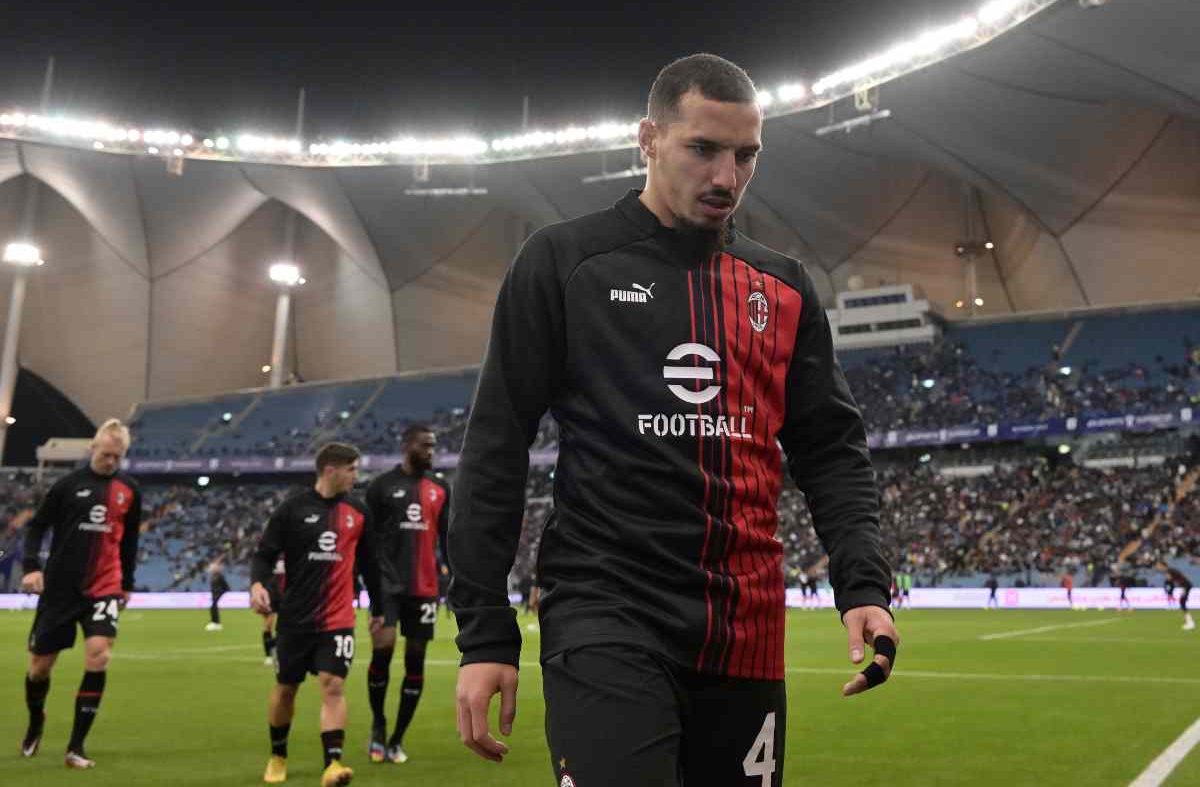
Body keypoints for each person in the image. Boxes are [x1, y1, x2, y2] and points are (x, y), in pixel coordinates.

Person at [449, 53, 898, 786]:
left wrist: (863, 586)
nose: (727, 177)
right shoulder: (564, 264)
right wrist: (484, 634)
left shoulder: (782, 288)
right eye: (703, 149)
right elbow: (496, 447)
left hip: (744, 625)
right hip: (606, 611)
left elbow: (832, 450)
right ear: (648, 139)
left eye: (745, 155)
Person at [249, 442, 382, 786]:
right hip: (295, 618)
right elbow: (264, 555)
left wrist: (379, 607)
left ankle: (333, 764)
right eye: (351, 469)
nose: (356, 475)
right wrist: (257, 585)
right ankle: (278, 755)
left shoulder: (359, 512)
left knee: (333, 685)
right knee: (285, 689)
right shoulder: (293, 509)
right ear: (330, 470)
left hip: (338, 620)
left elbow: (370, 565)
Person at [19, 419, 142, 769]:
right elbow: (37, 527)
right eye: (106, 455)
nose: (111, 462)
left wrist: (127, 583)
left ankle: (76, 747)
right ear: (93, 448)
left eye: (118, 457)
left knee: (99, 655)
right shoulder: (66, 486)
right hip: (60, 588)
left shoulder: (130, 490)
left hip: (105, 586)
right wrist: (31, 566)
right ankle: (35, 720)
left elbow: (130, 540)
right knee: (40, 667)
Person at [362, 424, 450, 765]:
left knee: (415, 661)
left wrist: (453, 581)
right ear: (407, 446)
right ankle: (379, 726)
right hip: (386, 586)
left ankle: (398, 738)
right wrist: (366, 585)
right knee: (381, 654)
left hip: (424, 590)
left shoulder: (441, 489)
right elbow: (366, 542)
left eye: (434, 445)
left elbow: (446, 540)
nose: (431, 451)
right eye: (425, 445)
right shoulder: (381, 487)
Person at [262, 556, 285, 666]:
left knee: (285, 626)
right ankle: (268, 655)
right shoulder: (268, 558)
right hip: (270, 596)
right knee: (268, 625)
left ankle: (277, 650)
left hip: (284, 596)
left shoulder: (290, 555)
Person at [1157, 564, 1193, 630]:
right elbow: (1175, 579)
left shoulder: (1169, 571)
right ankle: (1189, 621)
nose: (1158, 568)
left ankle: (1190, 623)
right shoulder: (1171, 570)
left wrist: (1183, 588)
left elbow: (1170, 580)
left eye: (1159, 566)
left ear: (1163, 565)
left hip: (1186, 585)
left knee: (1182, 603)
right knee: (1182, 602)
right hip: (1186, 585)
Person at [207, 560, 230, 631]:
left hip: (217, 595)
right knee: (212, 608)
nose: (211, 569)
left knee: (213, 608)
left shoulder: (220, 577)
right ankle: (215, 623)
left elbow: (226, 587)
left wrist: (220, 593)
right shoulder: (213, 577)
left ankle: (216, 623)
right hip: (214, 595)